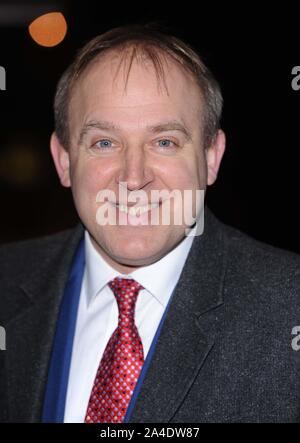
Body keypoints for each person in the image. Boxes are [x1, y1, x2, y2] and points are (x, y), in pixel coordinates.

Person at [0, 23, 300, 424]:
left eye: (165, 142)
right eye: (104, 142)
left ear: (212, 157)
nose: (134, 175)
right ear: (64, 160)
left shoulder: (288, 306)